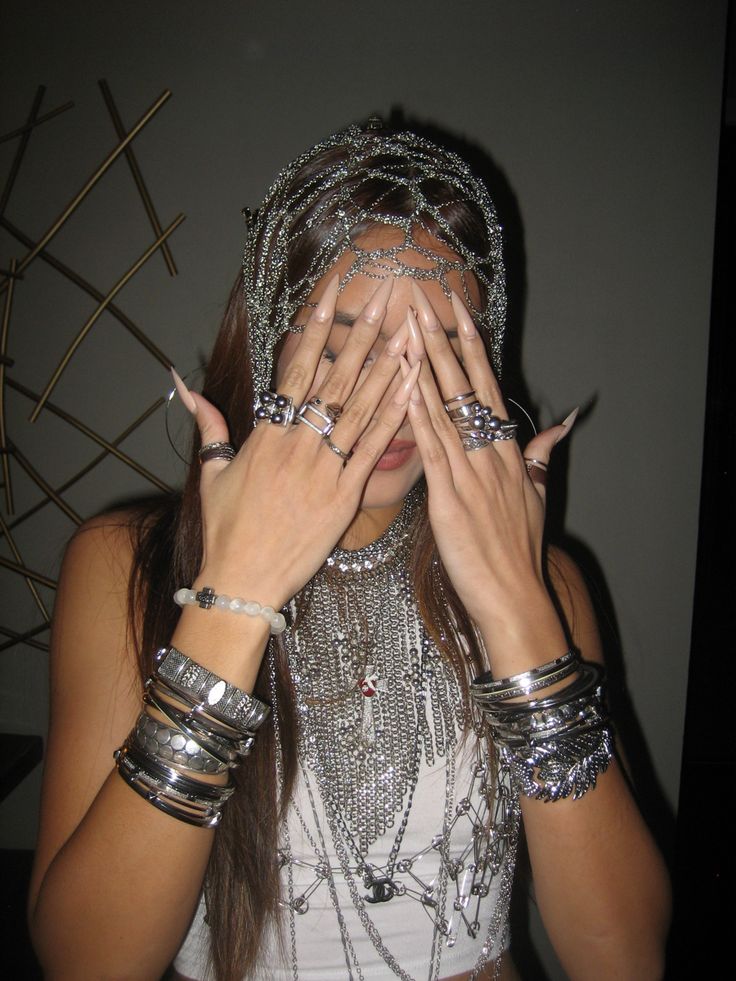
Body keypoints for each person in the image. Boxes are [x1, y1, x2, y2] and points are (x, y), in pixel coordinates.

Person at [27, 120, 670, 981]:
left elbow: (624, 957)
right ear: (266, 346)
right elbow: (87, 962)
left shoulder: (547, 581)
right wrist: (238, 596)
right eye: (345, 349)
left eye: (440, 352)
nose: (396, 401)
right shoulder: (125, 565)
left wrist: (517, 612)